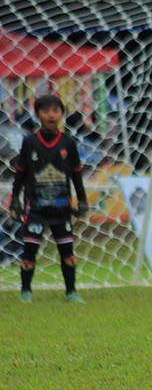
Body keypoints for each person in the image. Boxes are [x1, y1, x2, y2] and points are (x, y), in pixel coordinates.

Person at [10, 94, 88, 303]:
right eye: (46, 111)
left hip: (62, 207)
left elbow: (76, 173)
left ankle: (71, 291)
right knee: (29, 251)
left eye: (55, 110)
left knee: (67, 251)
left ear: (61, 114)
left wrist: (82, 199)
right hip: (35, 207)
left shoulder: (68, 142)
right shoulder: (30, 142)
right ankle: (26, 291)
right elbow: (21, 173)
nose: (51, 115)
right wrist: (15, 199)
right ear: (37, 115)